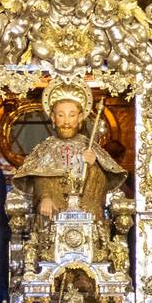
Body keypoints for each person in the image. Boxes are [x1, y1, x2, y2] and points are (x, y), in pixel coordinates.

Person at [12, 82, 126, 221]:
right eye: (61, 115)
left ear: (79, 118)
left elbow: (103, 183)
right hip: (53, 214)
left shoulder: (90, 147)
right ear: (53, 118)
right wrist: (45, 197)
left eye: (71, 115)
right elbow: (41, 178)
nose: (66, 121)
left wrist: (93, 166)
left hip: (85, 214)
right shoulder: (46, 149)